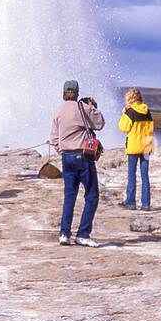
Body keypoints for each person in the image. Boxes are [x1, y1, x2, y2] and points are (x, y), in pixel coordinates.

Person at [50, 79, 105, 247]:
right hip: (83, 157)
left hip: (66, 157)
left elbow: (53, 138)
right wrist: (93, 107)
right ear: (77, 93)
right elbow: (100, 124)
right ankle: (83, 234)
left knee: (69, 197)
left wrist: (62, 151)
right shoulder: (83, 108)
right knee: (92, 195)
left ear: (64, 92)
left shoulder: (58, 111)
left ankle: (64, 234)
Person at [119, 87, 153, 210]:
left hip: (134, 147)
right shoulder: (147, 111)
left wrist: (124, 113)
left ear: (130, 99)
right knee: (145, 175)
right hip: (146, 147)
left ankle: (131, 202)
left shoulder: (130, 112)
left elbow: (123, 127)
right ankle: (146, 204)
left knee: (132, 174)